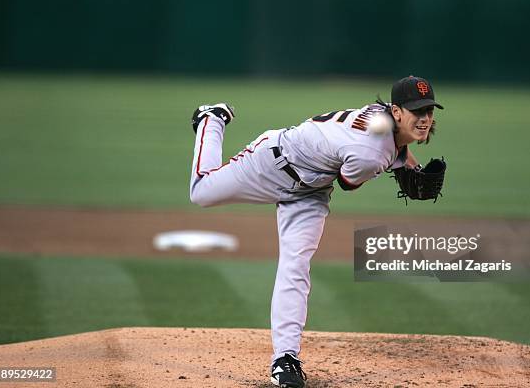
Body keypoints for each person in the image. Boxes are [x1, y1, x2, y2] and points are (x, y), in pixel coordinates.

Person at [188, 75, 444, 388]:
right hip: (272, 163)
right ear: (396, 111)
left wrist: (408, 165)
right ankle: (211, 120)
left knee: (296, 265)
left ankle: (286, 359)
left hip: (310, 191)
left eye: (429, 111)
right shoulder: (370, 154)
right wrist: (406, 166)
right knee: (201, 192)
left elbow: (393, 147)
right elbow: (350, 181)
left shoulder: (381, 121)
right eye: (417, 111)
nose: (425, 119)